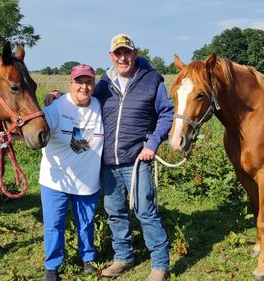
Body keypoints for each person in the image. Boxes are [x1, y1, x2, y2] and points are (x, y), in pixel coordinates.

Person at [46, 33, 174, 281]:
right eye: (118, 53)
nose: (123, 57)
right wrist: (59, 96)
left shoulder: (152, 80)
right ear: (111, 56)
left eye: (127, 52)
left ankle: (160, 265)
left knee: (145, 210)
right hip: (107, 162)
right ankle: (123, 257)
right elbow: (82, 95)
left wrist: (153, 143)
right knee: (115, 212)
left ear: (135, 54)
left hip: (138, 160)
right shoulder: (104, 83)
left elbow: (167, 114)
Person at [39, 64, 103, 281]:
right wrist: (9, 135)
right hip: (56, 178)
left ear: (94, 85)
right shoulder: (57, 107)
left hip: (87, 179)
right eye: (79, 82)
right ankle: (52, 266)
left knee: (86, 222)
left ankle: (87, 259)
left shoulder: (99, 105)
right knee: (54, 224)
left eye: (89, 82)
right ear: (70, 83)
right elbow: (36, 126)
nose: (84, 87)